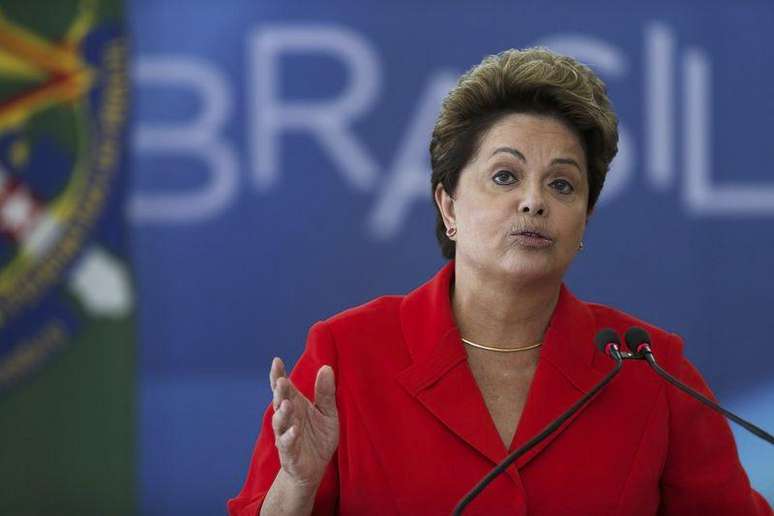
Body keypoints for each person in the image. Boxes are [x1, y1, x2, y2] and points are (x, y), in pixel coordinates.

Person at [229, 48, 772, 515]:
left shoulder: (649, 370)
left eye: (563, 185)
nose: (534, 201)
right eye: (505, 176)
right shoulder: (345, 355)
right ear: (449, 206)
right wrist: (296, 487)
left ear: (584, 219)